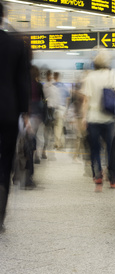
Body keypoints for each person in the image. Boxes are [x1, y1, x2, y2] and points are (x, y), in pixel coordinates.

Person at [0, 1, 31, 232]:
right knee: (5, 162)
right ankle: (0, 214)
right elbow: (22, 83)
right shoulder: (15, 45)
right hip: (7, 113)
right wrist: (24, 112)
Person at [81, 51, 115, 192]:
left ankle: (98, 176)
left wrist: (84, 117)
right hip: (109, 117)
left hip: (93, 117)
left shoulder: (90, 77)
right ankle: (112, 178)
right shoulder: (113, 74)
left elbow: (86, 100)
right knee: (110, 149)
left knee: (95, 149)